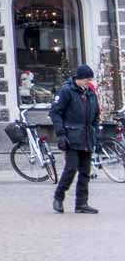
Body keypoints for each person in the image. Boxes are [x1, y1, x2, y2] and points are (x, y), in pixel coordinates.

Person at [50, 63, 101, 215]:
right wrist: (61, 134)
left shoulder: (90, 93)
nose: (88, 82)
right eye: (86, 79)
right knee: (71, 169)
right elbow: (55, 113)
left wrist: (96, 133)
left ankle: (81, 203)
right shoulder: (66, 91)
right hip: (71, 137)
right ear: (78, 78)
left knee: (85, 171)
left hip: (87, 137)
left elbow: (96, 115)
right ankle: (58, 197)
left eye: (90, 79)